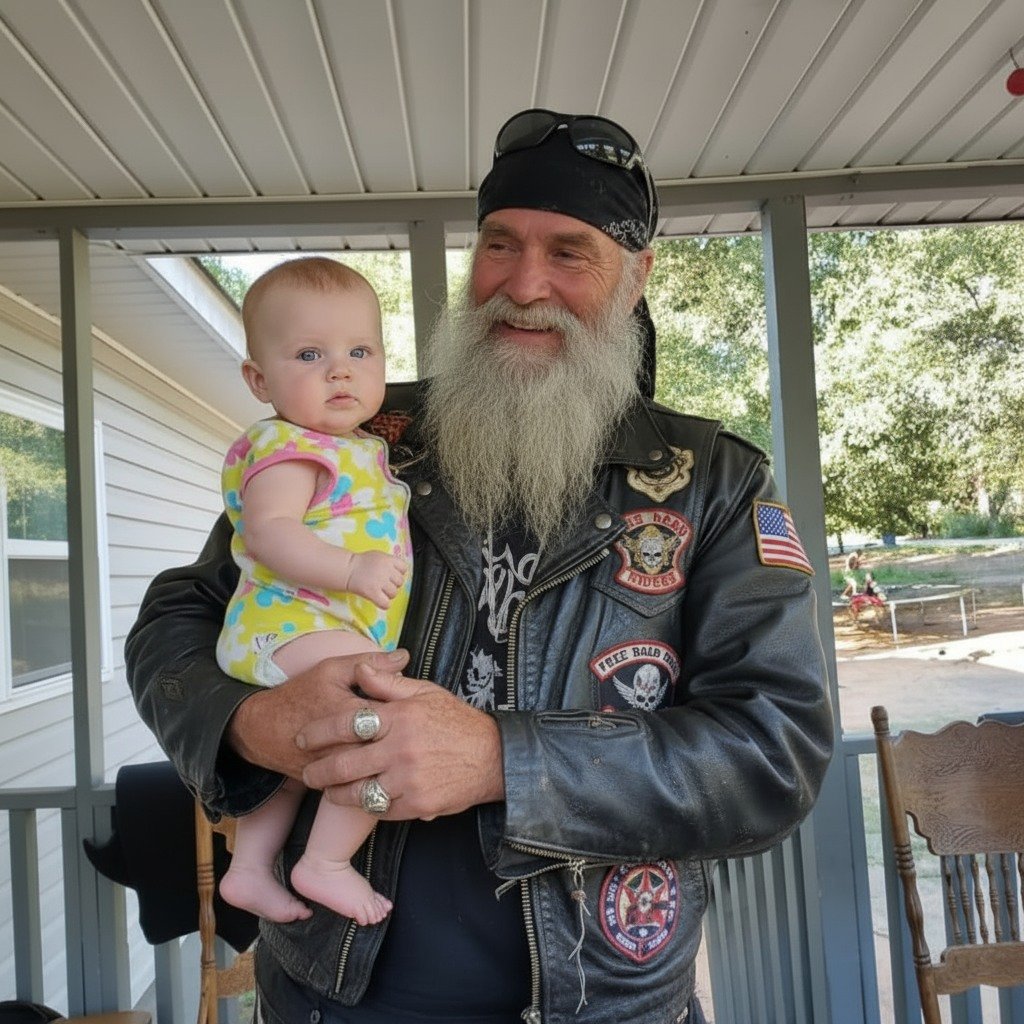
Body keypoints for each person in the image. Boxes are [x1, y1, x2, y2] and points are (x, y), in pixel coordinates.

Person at [126, 108, 834, 1024]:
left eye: (570, 252)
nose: (524, 285)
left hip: (607, 1003)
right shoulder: (351, 435)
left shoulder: (716, 483)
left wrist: (507, 761)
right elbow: (177, 621)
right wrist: (254, 722)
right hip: (329, 996)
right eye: (500, 245)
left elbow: (774, 750)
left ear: (637, 277)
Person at [214, 258, 411, 926]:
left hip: (301, 628)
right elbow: (271, 533)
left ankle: (248, 868)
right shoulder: (289, 446)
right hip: (288, 622)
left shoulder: (354, 448)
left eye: (360, 351)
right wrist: (353, 570)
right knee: (378, 718)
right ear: (258, 379)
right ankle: (324, 862)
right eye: (309, 354)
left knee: (304, 750)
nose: (340, 371)